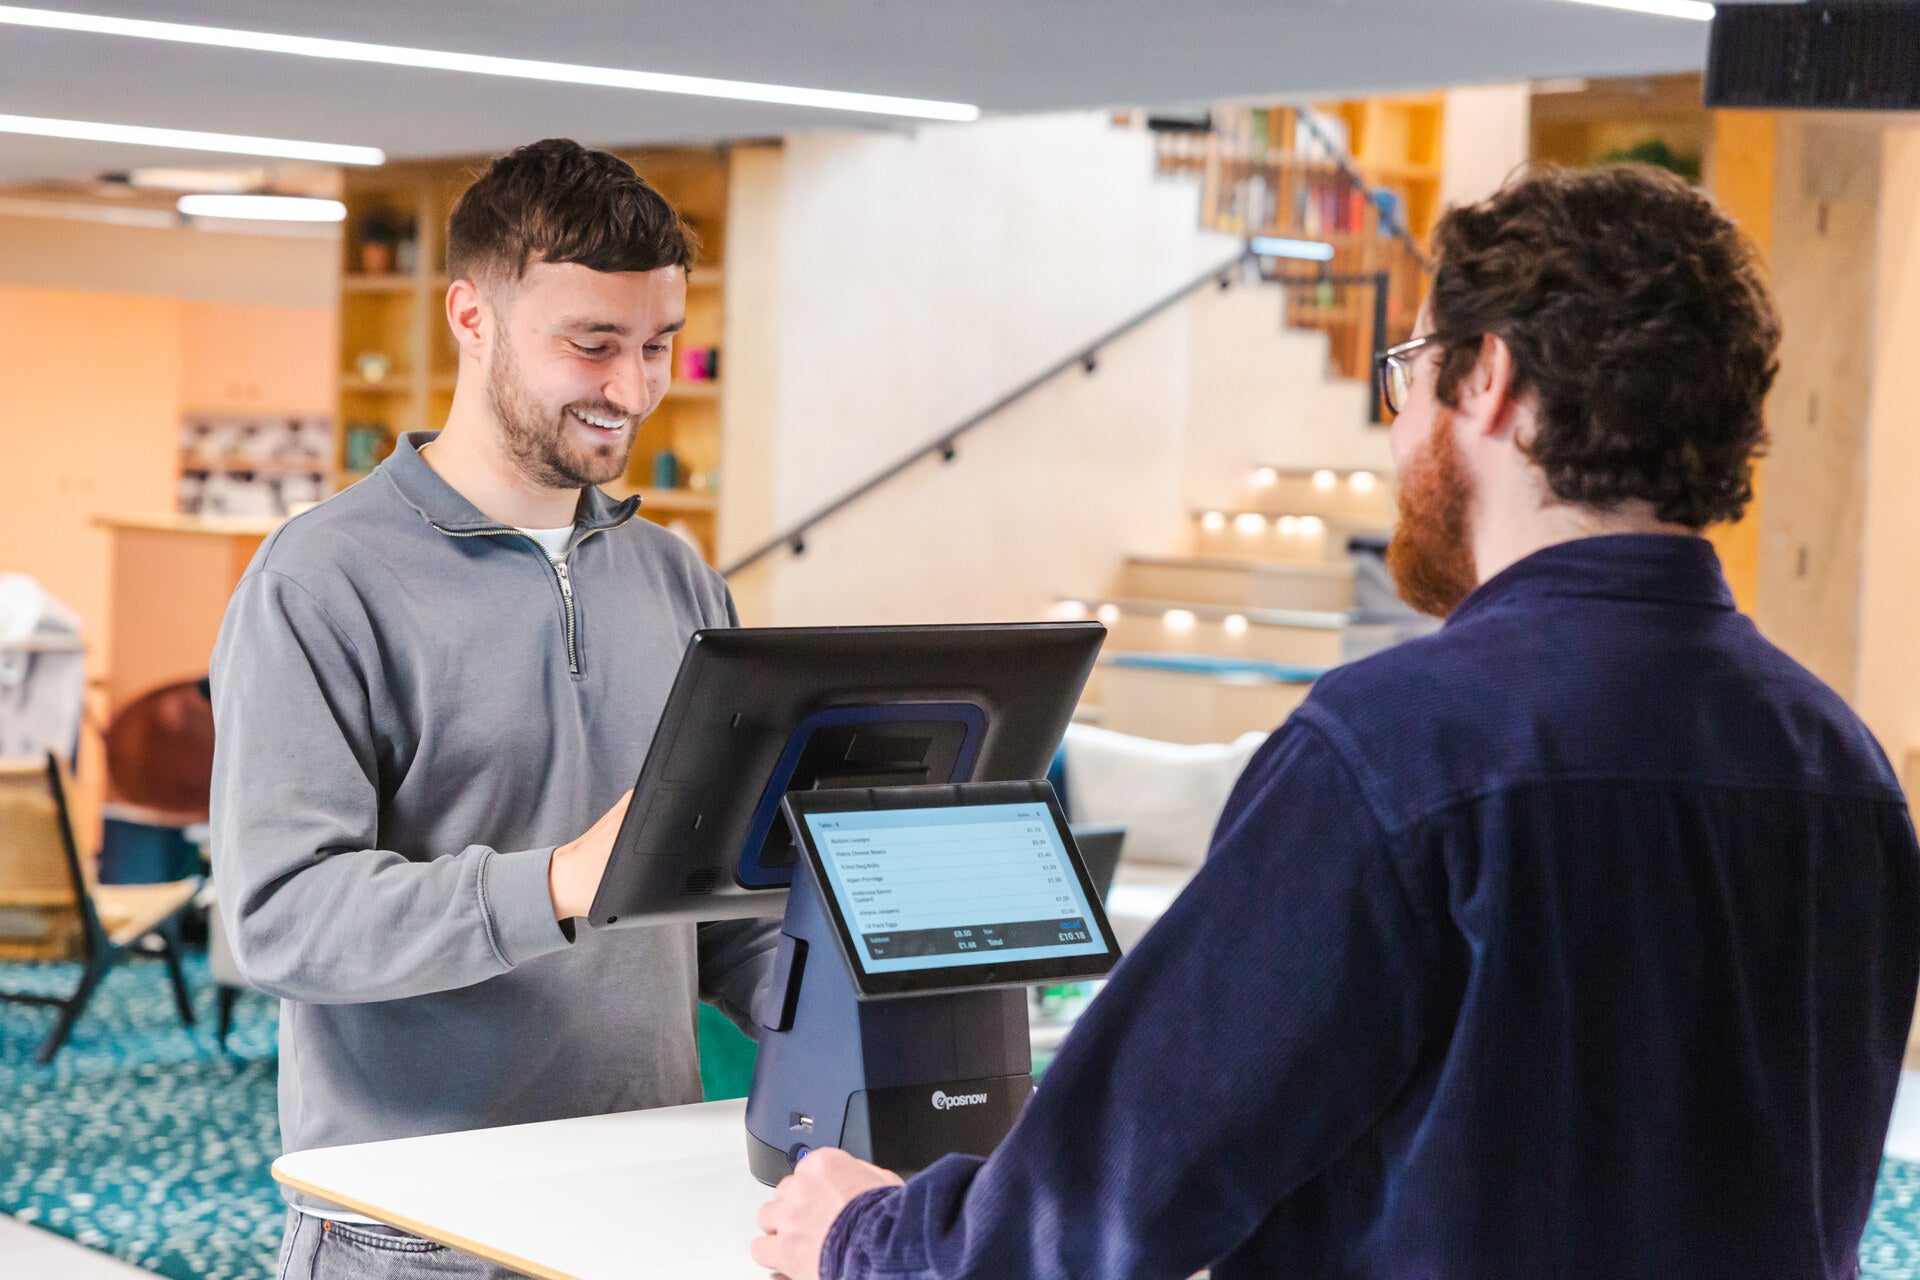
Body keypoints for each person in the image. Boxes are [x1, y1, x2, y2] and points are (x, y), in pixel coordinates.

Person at [752, 165, 1920, 1279]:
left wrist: (867, 1234)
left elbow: (1109, 1200)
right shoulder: (1839, 765)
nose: (1398, 420)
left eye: (1410, 368)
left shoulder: (1397, 751)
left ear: (1490, 381)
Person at [211, 139, 777, 1278]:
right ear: (471, 316)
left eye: (657, 344)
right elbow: (279, 915)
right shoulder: (321, 579)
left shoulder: (679, 582)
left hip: (644, 1200)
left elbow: (724, 919)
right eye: (593, 343)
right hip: (415, 1233)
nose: (631, 386)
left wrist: (895, 997)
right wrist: (557, 881)